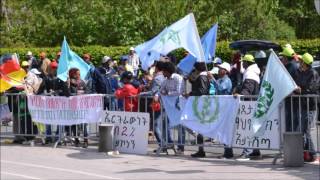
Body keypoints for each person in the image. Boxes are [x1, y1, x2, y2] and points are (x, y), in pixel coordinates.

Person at [292, 53, 319, 162]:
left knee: (306, 130)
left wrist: (300, 90)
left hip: (310, 105)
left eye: (301, 61)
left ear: (305, 63)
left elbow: (311, 88)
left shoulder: (313, 73)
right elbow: (298, 85)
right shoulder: (301, 72)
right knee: (302, 130)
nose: (299, 62)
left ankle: (313, 154)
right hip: (302, 104)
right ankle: (306, 154)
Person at [236, 54, 261, 159]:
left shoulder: (250, 73)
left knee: (247, 128)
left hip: (248, 105)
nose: (243, 63)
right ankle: (255, 150)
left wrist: (241, 95)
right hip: (252, 103)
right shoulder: (252, 72)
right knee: (251, 128)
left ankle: (247, 151)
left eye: (244, 62)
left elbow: (248, 88)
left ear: (247, 62)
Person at [158, 61, 185, 155]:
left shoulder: (178, 78)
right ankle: (169, 143)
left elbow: (179, 91)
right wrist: (157, 95)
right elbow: (160, 90)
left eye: (164, 71)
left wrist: (168, 93)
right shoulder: (165, 80)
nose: (162, 73)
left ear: (168, 71)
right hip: (169, 107)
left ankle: (181, 148)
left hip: (178, 105)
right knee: (165, 124)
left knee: (180, 126)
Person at [189, 62, 210, 158]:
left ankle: (201, 150)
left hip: (202, 105)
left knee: (200, 128)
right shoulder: (203, 77)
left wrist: (191, 93)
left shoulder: (202, 77)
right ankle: (200, 150)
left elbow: (202, 90)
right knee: (199, 129)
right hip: (201, 104)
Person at [67, 68, 89, 148]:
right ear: (73, 74)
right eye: (77, 74)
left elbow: (87, 91)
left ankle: (85, 141)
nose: (79, 76)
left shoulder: (82, 82)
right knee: (74, 124)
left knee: (84, 124)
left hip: (82, 107)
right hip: (73, 107)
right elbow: (67, 93)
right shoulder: (69, 82)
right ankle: (76, 140)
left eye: (80, 74)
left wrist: (82, 93)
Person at [216, 62, 234, 159]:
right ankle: (227, 151)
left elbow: (220, 88)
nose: (219, 70)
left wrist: (213, 80)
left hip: (226, 107)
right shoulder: (219, 80)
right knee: (223, 130)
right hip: (221, 106)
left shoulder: (227, 80)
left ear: (225, 71)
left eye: (221, 69)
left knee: (226, 130)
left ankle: (228, 152)